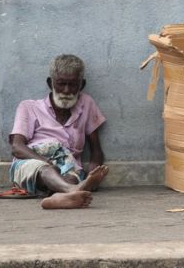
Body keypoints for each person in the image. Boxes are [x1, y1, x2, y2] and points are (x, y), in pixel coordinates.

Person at [8, 54, 109, 209]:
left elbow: (96, 149)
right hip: (32, 162)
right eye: (61, 84)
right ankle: (73, 190)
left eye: (73, 85)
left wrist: (93, 174)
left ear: (81, 85)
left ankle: (59, 197)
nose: (66, 91)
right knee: (47, 170)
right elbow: (17, 147)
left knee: (72, 176)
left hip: (68, 166)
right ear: (50, 83)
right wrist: (46, 162)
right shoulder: (28, 107)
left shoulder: (86, 104)